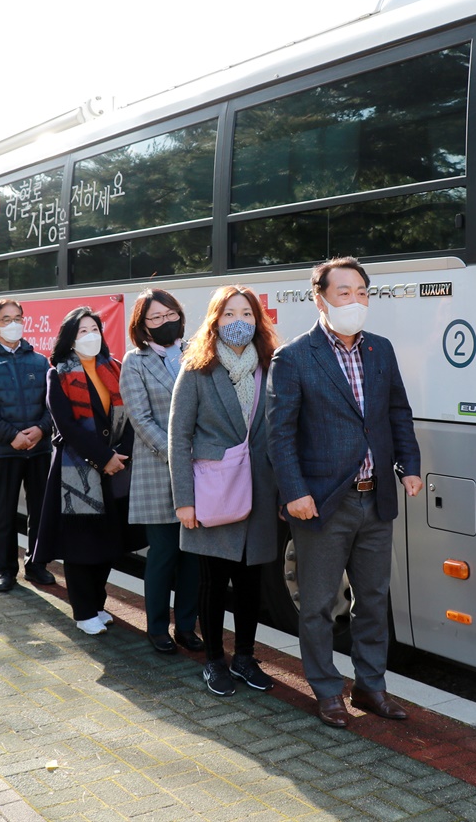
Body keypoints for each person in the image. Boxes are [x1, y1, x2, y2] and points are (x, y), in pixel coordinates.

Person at [267, 256, 422, 728]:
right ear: (320, 298)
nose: (355, 301)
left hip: (375, 499)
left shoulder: (381, 350)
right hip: (322, 502)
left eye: (362, 293)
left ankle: (371, 687)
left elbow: (398, 413)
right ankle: (327, 690)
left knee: (373, 600)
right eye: (344, 293)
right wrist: (294, 491)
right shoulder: (293, 357)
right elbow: (280, 434)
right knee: (317, 605)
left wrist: (409, 467)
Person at [169, 286, 280, 696]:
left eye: (247, 315)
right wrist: (184, 500)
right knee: (213, 583)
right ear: (215, 320)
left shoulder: (270, 366)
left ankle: (246, 658)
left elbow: (282, 433)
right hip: (212, 492)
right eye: (230, 314)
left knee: (253, 583)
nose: (239, 322)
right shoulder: (197, 369)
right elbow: (178, 437)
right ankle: (214, 660)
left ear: (258, 321)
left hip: (260, 491)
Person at [32, 307, 139, 635]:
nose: (90, 335)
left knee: (109, 541)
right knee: (81, 545)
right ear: (69, 338)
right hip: (77, 469)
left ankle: (97, 603)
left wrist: (120, 454)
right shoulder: (57, 374)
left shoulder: (115, 368)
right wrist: (102, 457)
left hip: (114, 469)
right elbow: (66, 426)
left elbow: (131, 415)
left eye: (94, 329)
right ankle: (83, 611)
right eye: (82, 331)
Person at [123, 289, 202, 654]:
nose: (164, 322)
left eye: (168, 315)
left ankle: (187, 626)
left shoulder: (198, 353)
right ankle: (157, 627)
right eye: (154, 318)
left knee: (193, 554)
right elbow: (140, 418)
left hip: (201, 470)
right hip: (159, 469)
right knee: (164, 552)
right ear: (142, 326)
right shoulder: (134, 361)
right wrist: (178, 454)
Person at [0, 298, 55, 591]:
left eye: (18, 318)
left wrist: (41, 430)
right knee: (3, 514)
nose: (13, 324)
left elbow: (52, 404)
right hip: (3, 452)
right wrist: (12, 436)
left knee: (41, 511)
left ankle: (37, 564)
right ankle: (5, 570)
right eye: (6, 319)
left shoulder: (40, 361)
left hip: (39, 449)